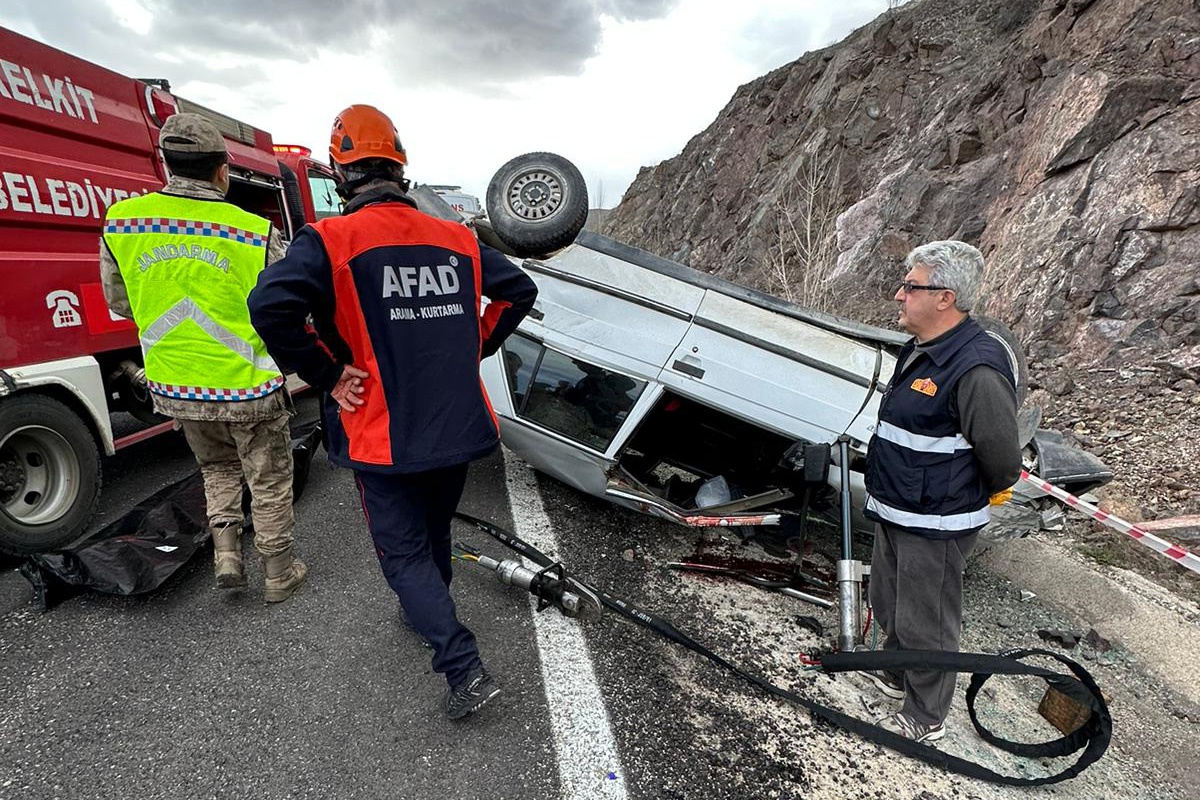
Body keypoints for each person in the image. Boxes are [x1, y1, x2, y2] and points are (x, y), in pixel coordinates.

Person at [247, 104, 537, 720]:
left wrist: (326, 373)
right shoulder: (456, 237)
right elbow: (519, 291)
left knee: (403, 553)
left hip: (384, 432)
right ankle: (425, 607)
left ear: (339, 173)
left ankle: (462, 666)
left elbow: (270, 304)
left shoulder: (330, 241)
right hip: (458, 423)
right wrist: (476, 343)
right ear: (400, 168)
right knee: (433, 531)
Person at [100, 113, 306, 603]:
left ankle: (226, 554)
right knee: (269, 476)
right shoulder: (253, 231)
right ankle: (279, 571)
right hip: (248, 384)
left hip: (179, 384)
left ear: (165, 165)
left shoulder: (124, 222)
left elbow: (119, 301)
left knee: (216, 468)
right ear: (222, 170)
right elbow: (286, 306)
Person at [862, 240, 1020, 742]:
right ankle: (895, 672)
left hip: (937, 520)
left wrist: (984, 491)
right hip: (898, 505)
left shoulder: (976, 367)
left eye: (910, 286)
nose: (898, 295)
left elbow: (1001, 456)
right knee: (889, 601)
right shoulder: (920, 349)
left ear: (945, 298)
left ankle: (925, 716)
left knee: (927, 618)